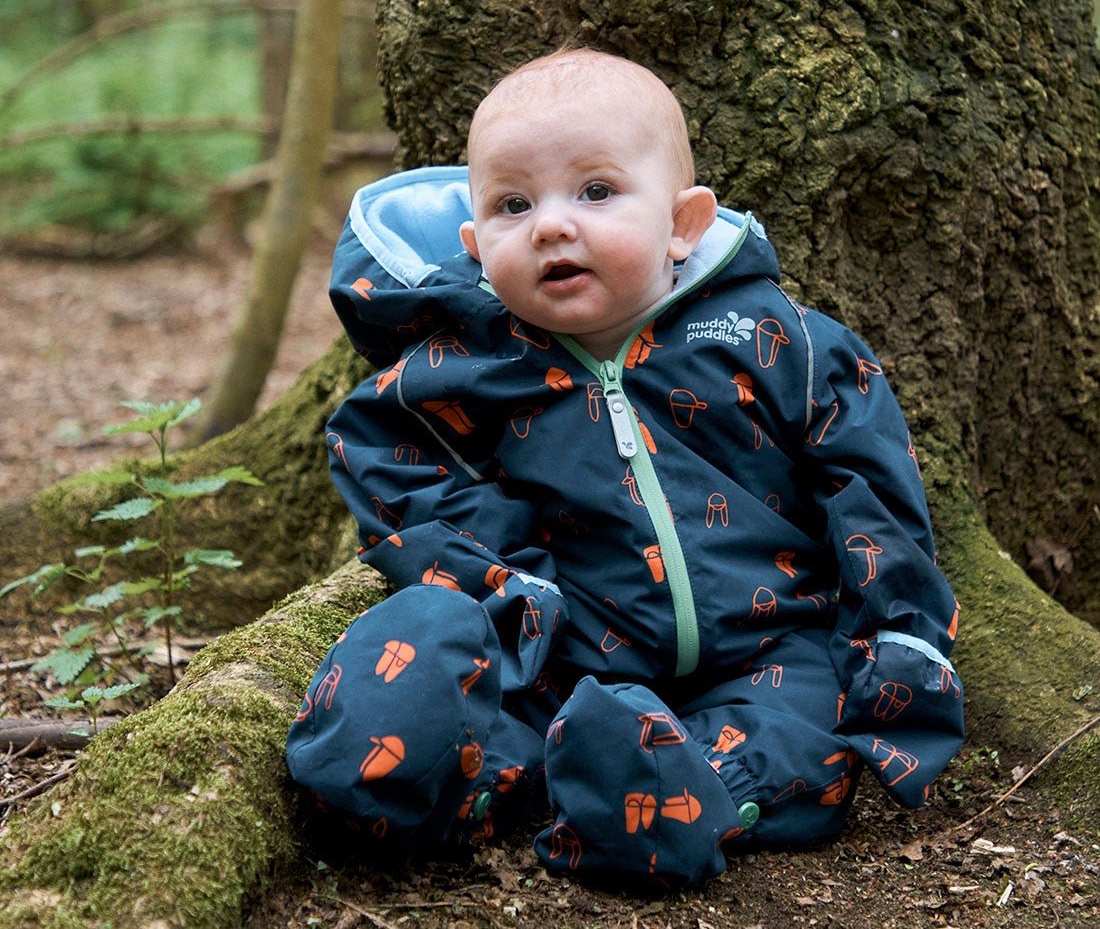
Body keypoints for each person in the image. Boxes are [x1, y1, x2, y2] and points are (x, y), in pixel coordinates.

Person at [286, 49, 964, 885]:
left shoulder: (773, 340)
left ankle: (670, 792)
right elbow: (381, 454)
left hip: (772, 647)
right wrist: (503, 580)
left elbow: (873, 493)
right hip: (571, 651)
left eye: (596, 192)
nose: (550, 225)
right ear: (474, 244)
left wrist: (895, 639)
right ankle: (402, 775)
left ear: (682, 222)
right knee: (440, 644)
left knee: (801, 738)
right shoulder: (471, 367)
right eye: (512, 205)